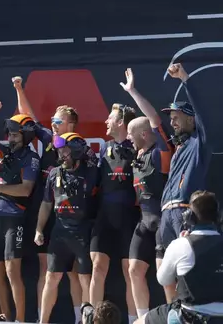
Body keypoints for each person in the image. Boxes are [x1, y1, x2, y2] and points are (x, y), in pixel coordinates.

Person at [14, 76, 87, 322]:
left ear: (71, 124)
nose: (53, 124)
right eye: (53, 120)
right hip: (49, 216)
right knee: (48, 271)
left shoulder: (81, 148)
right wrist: (18, 89)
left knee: (76, 273)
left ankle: (80, 318)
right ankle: (40, 319)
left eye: (58, 120)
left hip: (76, 219)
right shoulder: (49, 140)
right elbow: (31, 120)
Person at [0, 99, 40, 322]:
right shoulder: (7, 152)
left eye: (14, 135)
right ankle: (5, 316)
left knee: (12, 271)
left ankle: (20, 320)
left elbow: (26, 189)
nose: (10, 138)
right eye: (9, 134)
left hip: (16, 218)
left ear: (26, 136)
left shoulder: (31, 158)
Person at [120, 68, 174, 317]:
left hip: (164, 222)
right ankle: (142, 318)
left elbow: (153, 120)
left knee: (166, 276)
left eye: (131, 135)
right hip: (144, 221)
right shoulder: (137, 154)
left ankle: (174, 317)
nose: (128, 139)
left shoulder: (160, 151)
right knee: (134, 270)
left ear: (143, 135)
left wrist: (132, 92)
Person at [35, 133, 97, 324]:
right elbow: (46, 203)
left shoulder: (90, 171)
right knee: (51, 277)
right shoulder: (54, 173)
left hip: (82, 232)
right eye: (60, 150)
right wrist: (39, 229)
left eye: (66, 150)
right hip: (59, 232)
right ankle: (42, 321)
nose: (62, 154)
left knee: (85, 279)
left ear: (77, 151)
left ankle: (85, 321)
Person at [136, 191, 223, 324]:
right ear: (218, 216)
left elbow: (163, 279)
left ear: (189, 217)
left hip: (191, 317)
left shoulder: (181, 245)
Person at [90, 102, 138, 322]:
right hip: (104, 216)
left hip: (128, 217)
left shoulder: (136, 146)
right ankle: (93, 318)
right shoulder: (105, 148)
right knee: (97, 267)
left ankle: (135, 319)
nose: (106, 121)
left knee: (131, 272)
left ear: (121, 123)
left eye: (110, 118)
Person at [159, 63, 212, 256]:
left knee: (188, 271)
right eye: (170, 118)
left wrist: (185, 79)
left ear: (191, 120)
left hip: (186, 213)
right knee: (168, 273)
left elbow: (202, 113)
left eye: (176, 117)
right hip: (165, 215)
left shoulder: (199, 143)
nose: (171, 122)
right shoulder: (178, 147)